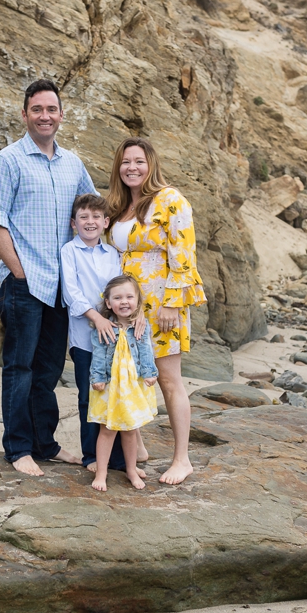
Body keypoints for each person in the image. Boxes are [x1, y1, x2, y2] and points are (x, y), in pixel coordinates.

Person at [0, 79, 98, 476]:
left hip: (62, 287)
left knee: (48, 371)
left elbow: (92, 213)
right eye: (37, 110)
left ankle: (44, 444)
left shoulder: (73, 164)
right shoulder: (7, 161)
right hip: (25, 284)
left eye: (51, 109)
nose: (45, 116)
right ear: (25, 114)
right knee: (19, 367)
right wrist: (19, 273)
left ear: (61, 115)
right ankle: (18, 450)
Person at [105, 136, 206, 485]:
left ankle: (182, 459)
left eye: (139, 161)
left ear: (151, 166)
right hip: (127, 306)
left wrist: (172, 304)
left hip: (162, 304)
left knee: (167, 378)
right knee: (130, 374)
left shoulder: (169, 200)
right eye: (126, 162)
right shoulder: (119, 206)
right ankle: (140, 447)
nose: (132, 168)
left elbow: (184, 254)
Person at [60, 193, 148, 473]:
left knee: (119, 395)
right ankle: (92, 457)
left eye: (96, 217)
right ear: (74, 223)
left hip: (117, 341)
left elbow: (124, 288)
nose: (90, 222)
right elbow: (71, 292)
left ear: (106, 222)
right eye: (84, 217)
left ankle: (122, 461)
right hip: (84, 337)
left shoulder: (112, 253)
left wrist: (139, 312)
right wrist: (96, 317)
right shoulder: (69, 252)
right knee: (90, 396)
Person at [88, 275, 160, 491]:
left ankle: (131, 470)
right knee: (107, 430)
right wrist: (98, 377)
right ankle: (101, 473)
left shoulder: (141, 327)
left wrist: (150, 372)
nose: (124, 301)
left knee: (130, 430)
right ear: (109, 303)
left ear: (137, 301)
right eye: (118, 298)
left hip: (131, 387)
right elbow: (99, 355)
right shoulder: (103, 328)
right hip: (110, 387)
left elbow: (146, 350)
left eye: (130, 297)